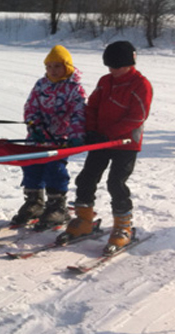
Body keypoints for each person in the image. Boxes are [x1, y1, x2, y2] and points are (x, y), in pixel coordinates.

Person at [60, 41, 153, 254]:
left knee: (116, 183)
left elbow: (137, 116)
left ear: (130, 63)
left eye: (117, 67)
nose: (113, 71)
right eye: (110, 66)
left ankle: (123, 227)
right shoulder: (105, 81)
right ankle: (84, 220)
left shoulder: (141, 84)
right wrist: (91, 130)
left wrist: (108, 134)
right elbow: (92, 107)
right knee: (86, 178)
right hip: (101, 141)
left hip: (126, 143)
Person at [11, 45, 87, 229]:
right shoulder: (41, 84)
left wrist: (77, 135)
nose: (52, 71)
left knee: (54, 169)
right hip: (36, 137)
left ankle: (57, 205)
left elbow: (79, 113)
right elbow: (30, 106)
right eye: (49, 66)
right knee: (31, 166)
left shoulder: (74, 88)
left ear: (67, 67)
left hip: (60, 138)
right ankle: (34, 202)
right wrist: (33, 124)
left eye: (57, 66)